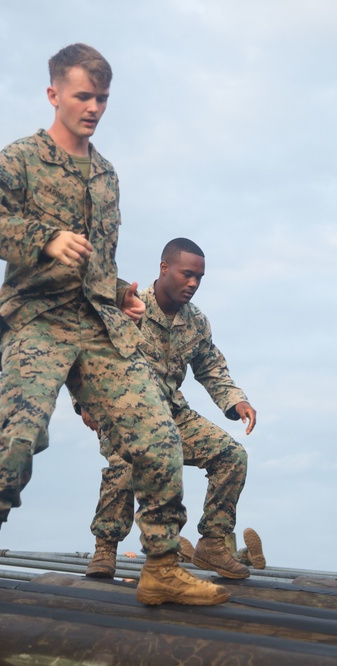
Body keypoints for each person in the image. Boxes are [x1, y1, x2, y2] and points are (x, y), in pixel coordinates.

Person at [0, 44, 228, 606]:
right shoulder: (23, 158)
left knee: (159, 436)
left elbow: (99, 264)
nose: (92, 107)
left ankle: (163, 565)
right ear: (54, 95)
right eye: (82, 96)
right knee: (20, 437)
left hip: (97, 327)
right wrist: (42, 237)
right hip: (37, 321)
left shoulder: (107, 175)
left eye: (102, 98)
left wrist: (121, 294)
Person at [79, 238, 260, 579]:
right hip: (124, 413)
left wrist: (237, 401)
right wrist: (85, 402)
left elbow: (211, 367)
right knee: (125, 465)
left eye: (200, 278)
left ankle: (213, 544)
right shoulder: (129, 307)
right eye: (187, 274)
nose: (193, 283)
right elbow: (89, 354)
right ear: (164, 268)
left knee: (232, 456)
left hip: (173, 413)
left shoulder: (196, 321)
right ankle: (106, 548)